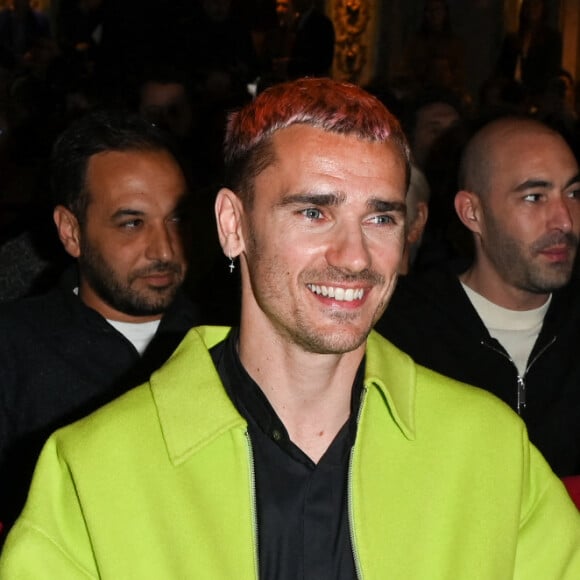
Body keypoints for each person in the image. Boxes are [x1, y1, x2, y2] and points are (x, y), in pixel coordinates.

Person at [2, 78, 580, 578]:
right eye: (314, 212)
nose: (355, 257)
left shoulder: (490, 450)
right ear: (233, 225)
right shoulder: (93, 469)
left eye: (380, 217)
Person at [0, 110, 202, 537]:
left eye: (176, 218)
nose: (163, 249)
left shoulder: (228, 342)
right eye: (132, 223)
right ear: (71, 232)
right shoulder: (14, 349)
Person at [376, 116, 580, 477]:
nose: (564, 220)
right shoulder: (399, 333)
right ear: (472, 212)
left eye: (574, 193)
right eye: (534, 197)